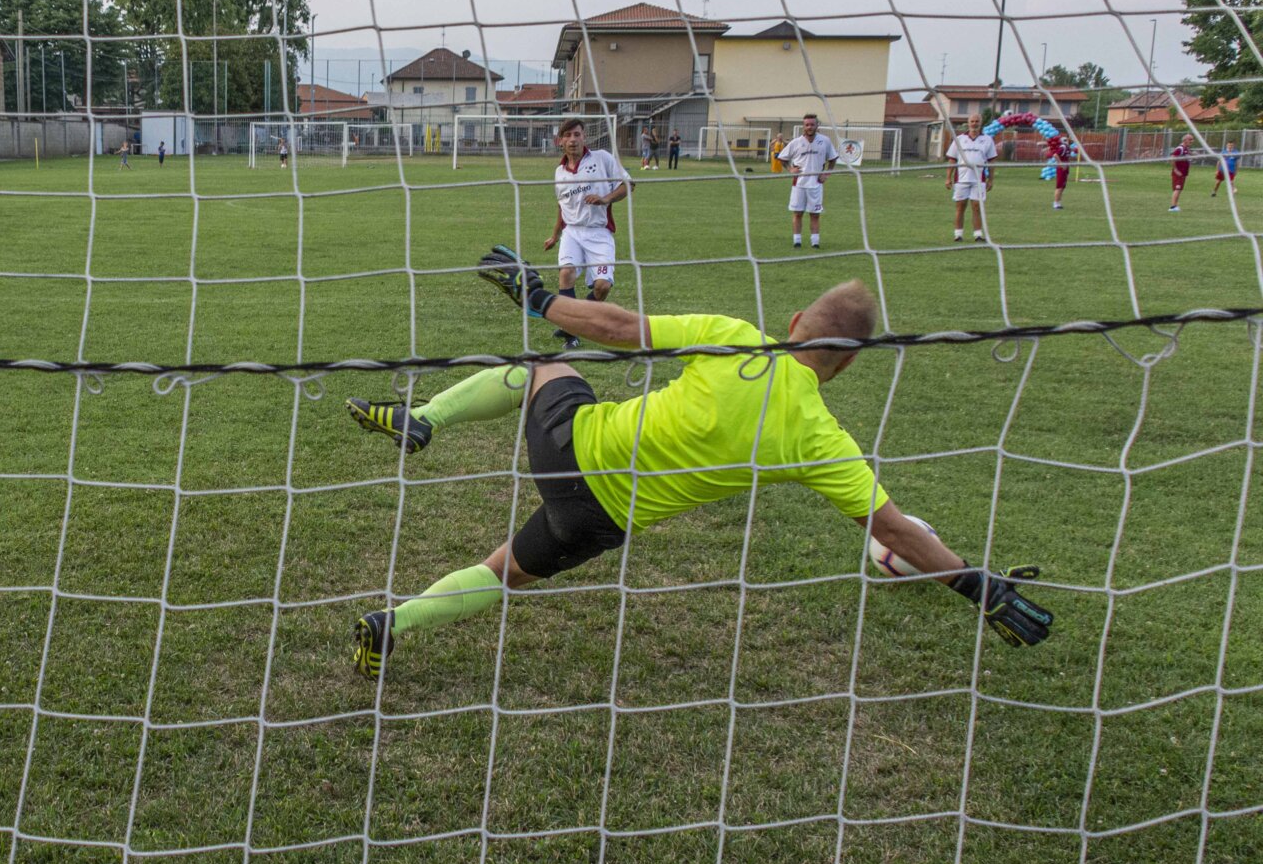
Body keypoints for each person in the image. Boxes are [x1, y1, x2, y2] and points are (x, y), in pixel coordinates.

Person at [342, 261, 1053, 675]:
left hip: (571, 449)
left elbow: (621, 329)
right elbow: (894, 530)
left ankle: (424, 419)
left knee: (543, 363)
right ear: (851, 362)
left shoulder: (732, 338)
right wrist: (976, 586)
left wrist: (540, 297)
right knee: (504, 573)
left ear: (796, 316)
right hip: (598, 522)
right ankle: (394, 623)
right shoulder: (820, 439)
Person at [540, 118, 630, 351]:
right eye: (568, 135)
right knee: (566, 274)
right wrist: (555, 235)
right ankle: (572, 333)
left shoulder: (602, 158)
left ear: (584, 137)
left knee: (602, 287)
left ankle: (574, 324)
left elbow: (628, 185)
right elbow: (563, 207)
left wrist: (606, 198)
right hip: (572, 233)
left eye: (577, 134)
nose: (573, 140)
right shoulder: (559, 172)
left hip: (599, 233)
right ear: (560, 141)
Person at [779, 113, 839, 248]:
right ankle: (797, 241)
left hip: (816, 184)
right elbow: (782, 158)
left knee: (815, 214)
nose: (809, 127)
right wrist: (790, 170)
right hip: (798, 184)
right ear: (803, 126)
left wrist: (827, 174)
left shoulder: (825, 141)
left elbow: (833, 158)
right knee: (798, 213)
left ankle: (815, 243)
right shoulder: (796, 142)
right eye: (807, 125)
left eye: (812, 124)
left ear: (817, 126)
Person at [946, 122, 997, 241]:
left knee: (977, 207)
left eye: (977, 121)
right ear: (968, 123)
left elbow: (992, 161)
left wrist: (991, 179)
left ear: (981, 123)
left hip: (979, 180)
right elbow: (952, 160)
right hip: (961, 179)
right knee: (960, 206)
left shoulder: (987, 140)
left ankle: (978, 235)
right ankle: (958, 234)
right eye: (972, 121)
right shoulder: (959, 139)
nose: (974, 124)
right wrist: (948, 177)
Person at [1049, 133, 1073, 210]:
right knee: (1059, 186)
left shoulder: (1068, 148)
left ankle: (1058, 203)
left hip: (1065, 169)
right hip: (1061, 169)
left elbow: (1067, 158)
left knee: (1062, 187)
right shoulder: (1063, 147)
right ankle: (1055, 203)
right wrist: (1061, 164)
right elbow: (1055, 155)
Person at [1169, 137, 1193, 211]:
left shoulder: (1186, 149)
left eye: (1192, 139)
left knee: (1179, 189)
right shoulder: (1180, 148)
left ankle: (1175, 205)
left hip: (1183, 173)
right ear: (1185, 140)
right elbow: (1172, 158)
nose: (1192, 141)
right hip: (1178, 173)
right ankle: (1172, 207)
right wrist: (1175, 169)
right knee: (1177, 189)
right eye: (1190, 139)